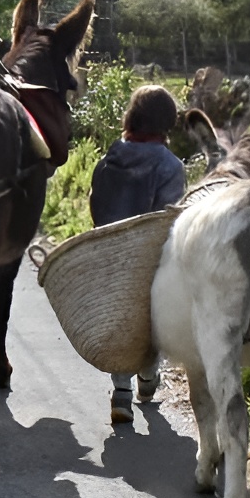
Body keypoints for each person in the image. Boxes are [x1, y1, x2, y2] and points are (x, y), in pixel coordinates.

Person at [89, 85, 187, 424]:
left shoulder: (108, 160)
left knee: (119, 321)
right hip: (150, 262)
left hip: (111, 257)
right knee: (151, 320)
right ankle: (147, 378)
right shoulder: (170, 166)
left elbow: (96, 207)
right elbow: (168, 222)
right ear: (166, 122)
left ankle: (121, 393)